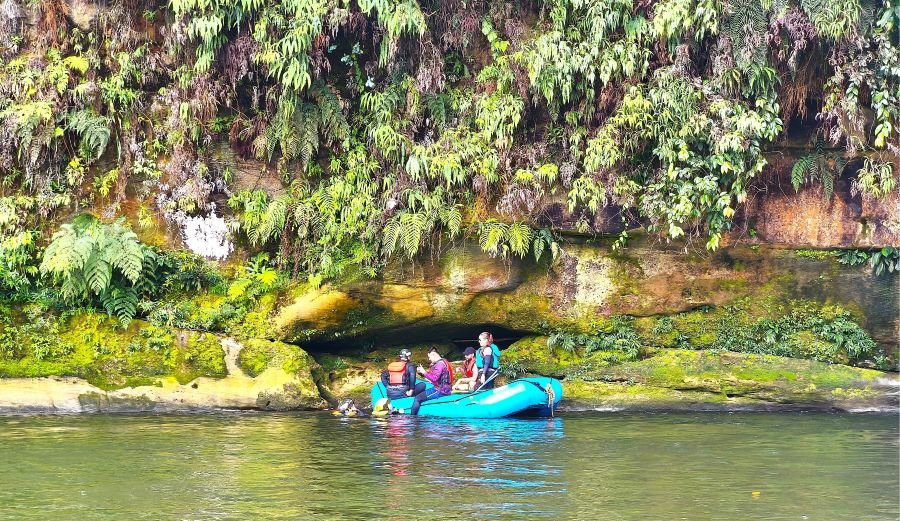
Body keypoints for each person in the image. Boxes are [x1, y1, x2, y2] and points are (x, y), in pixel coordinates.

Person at [380, 348, 427, 415]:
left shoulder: (393, 366)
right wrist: (411, 390)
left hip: (390, 394)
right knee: (423, 385)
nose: (410, 357)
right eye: (409, 356)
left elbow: (382, 376)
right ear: (407, 357)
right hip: (404, 394)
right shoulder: (410, 366)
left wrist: (387, 386)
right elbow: (412, 376)